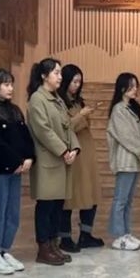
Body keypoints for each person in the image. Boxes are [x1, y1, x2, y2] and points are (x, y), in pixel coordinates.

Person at [0, 69, 34, 274]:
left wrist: (29, 157)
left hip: (15, 170)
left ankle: (4, 249)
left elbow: (25, 137)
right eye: (6, 84)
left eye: (11, 84)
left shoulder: (14, 111)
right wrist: (16, 160)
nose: (11, 88)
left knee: (12, 213)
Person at [26, 58, 80, 266]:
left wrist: (74, 148)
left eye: (60, 73)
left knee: (58, 205)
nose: (60, 77)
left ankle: (53, 244)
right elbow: (43, 130)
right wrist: (63, 150)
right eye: (56, 73)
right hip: (48, 160)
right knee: (46, 205)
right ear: (44, 76)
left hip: (63, 160)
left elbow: (68, 126)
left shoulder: (57, 99)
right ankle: (43, 247)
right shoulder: (37, 99)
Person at [107, 72, 140, 251]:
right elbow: (127, 136)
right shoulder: (118, 110)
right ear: (122, 88)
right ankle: (118, 236)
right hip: (126, 160)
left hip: (135, 160)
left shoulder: (134, 108)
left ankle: (126, 233)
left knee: (128, 200)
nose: (135, 89)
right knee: (120, 199)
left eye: (136, 86)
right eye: (132, 86)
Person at [59, 64, 104, 252]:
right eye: (74, 81)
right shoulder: (60, 102)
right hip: (73, 154)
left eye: (79, 82)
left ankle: (86, 234)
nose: (77, 85)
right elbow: (65, 127)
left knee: (90, 194)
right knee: (70, 197)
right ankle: (65, 237)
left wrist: (86, 112)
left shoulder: (78, 101)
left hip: (86, 152)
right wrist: (81, 115)